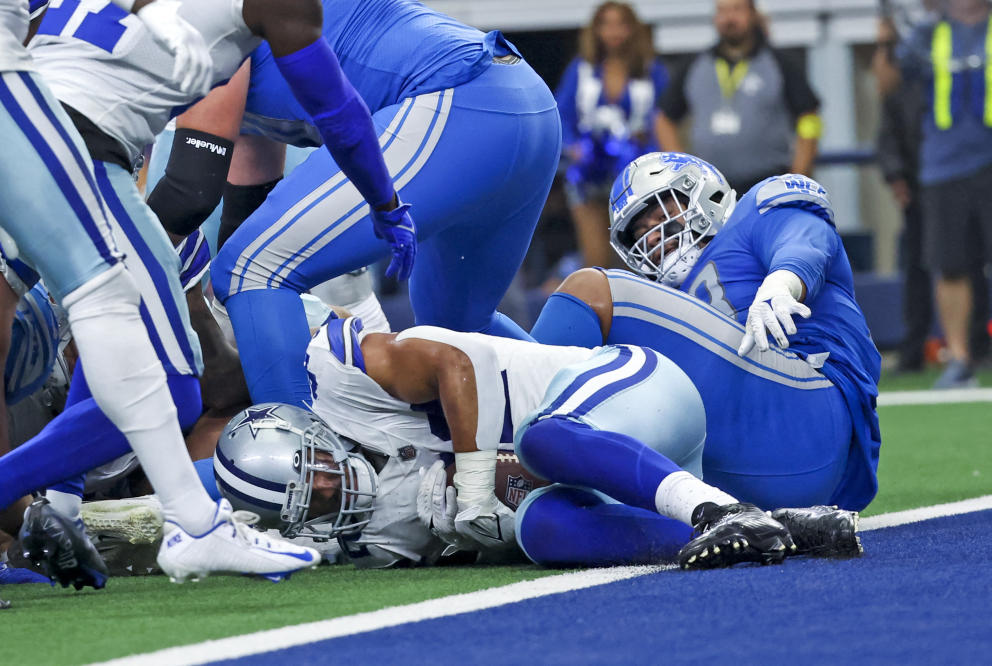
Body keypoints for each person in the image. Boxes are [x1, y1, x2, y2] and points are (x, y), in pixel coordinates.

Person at [3, 0, 420, 587]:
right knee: (170, 384)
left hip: (27, 137)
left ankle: (177, 523)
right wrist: (386, 201)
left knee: (96, 330)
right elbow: (339, 111)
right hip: (78, 150)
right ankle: (192, 528)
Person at [148, 0, 561, 410]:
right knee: (458, 329)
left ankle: (299, 457)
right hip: (523, 98)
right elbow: (245, 205)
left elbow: (190, 193)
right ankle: (594, 394)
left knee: (249, 271)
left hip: (461, 100)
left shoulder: (196, 22)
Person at [206, 315, 860, 570]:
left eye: (315, 469)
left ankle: (717, 510)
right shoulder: (372, 544)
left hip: (631, 389)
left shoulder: (344, 375)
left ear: (313, 433)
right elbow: (498, 525)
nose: (329, 488)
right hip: (630, 474)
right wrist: (472, 539)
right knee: (542, 534)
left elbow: (450, 365)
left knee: (545, 438)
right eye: (310, 502)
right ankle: (769, 530)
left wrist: (469, 483)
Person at [530, 152, 882, 512]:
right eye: (638, 231)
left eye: (660, 209)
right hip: (740, 473)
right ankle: (727, 524)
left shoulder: (753, 213)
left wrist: (782, 282)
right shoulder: (670, 306)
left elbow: (806, 239)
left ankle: (510, 441)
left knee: (590, 290)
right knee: (547, 513)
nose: (651, 234)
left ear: (705, 193)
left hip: (807, 409)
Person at [874, 15, 990, 373]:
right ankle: (958, 359)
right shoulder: (929, 32)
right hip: (944, 166)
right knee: (950, 265)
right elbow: (888, 83)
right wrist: (885, 43)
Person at [654, 0, 821, 194]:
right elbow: (663, 119)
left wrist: (798, 176)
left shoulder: (779, 63)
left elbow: (809, 117)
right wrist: (682, 171)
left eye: (736, 9)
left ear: (752, 14)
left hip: (768, 186)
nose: (729, 18)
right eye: (722, 11)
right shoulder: (695, 65)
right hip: (710, 191)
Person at [556, 1, 668, 268]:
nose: (614, 31)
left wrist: (650, 153)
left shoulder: (653, 71)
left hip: (635, 178)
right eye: (606, 24)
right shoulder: (580, 69)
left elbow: (664, 121)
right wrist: (572, 147)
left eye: (621, 24)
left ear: (633, 29)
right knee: (595, 258)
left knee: (639, 255)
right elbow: (560, 115)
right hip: (587, 176)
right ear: (595, 30)